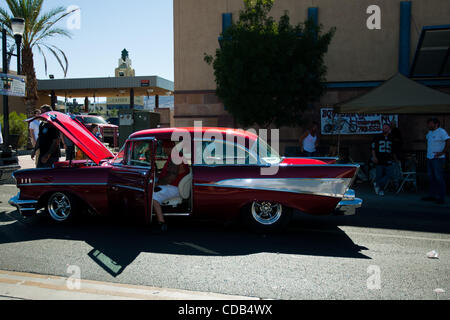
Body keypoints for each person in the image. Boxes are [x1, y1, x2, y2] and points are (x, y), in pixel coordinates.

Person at [152, 141, 189, 232]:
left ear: (169, 148)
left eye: (165, 148)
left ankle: (161, 222)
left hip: (173, 187)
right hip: (175, 186)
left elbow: (171, 177)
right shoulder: (177, 156)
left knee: (152, 197)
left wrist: (157, 183)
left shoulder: (175, 158)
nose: (164, 150)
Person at [422, 118, 450, 205]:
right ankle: (432, 195)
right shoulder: (429, 133)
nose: (428, 125)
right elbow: (426, 140)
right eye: (428, 123)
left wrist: (443, 152)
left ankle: (441, 197)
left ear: (436, 124)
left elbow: (448, 141)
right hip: (430, 157)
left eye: (430, 124)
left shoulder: (441, 131)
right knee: (431, 177)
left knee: (439, 177)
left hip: (438, 158)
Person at [371, 123, 396, 196]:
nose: (385, 129)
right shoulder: (377, 137)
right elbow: (373, 148)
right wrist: (374, 157)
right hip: (379, 159)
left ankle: (378, 184)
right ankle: (380, 189)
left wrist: (394, 158)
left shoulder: (391, 137)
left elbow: (393, 149)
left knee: (389, 174)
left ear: (389, 129)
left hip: (388, 158)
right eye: (384, 128)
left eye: (386, 128)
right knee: (379, 175)